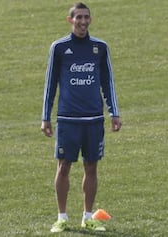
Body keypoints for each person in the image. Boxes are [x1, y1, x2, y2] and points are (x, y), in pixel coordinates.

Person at [41, 2, 122, 233]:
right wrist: (45, 117)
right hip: (68, 119)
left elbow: (108, 82)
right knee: (63, 166)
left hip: (94, 119)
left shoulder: (100, 47)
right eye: (79, 18)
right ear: (70, 20)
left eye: (86, 17)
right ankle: (62, 217)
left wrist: (114, 112)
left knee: (91, 167)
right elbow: (51, 84)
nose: (83, 22)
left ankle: (88, 217)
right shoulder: (59, 47)